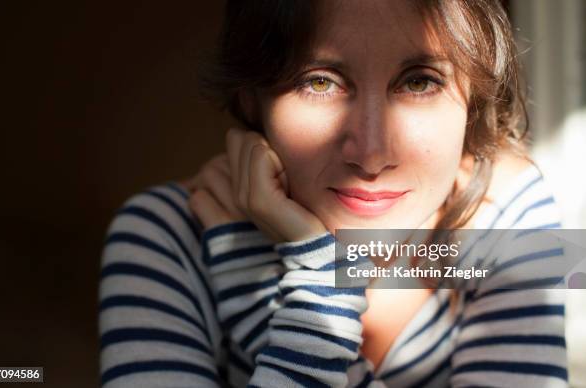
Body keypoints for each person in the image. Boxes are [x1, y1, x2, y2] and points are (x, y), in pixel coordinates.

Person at [98, 0, 568, 387]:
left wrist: (258, 301)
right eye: (319, 81)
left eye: (419, 81)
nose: (371, 154)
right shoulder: (164, 235)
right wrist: (325, 289)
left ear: (474, 96)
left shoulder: (513, 214)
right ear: (249, 98)